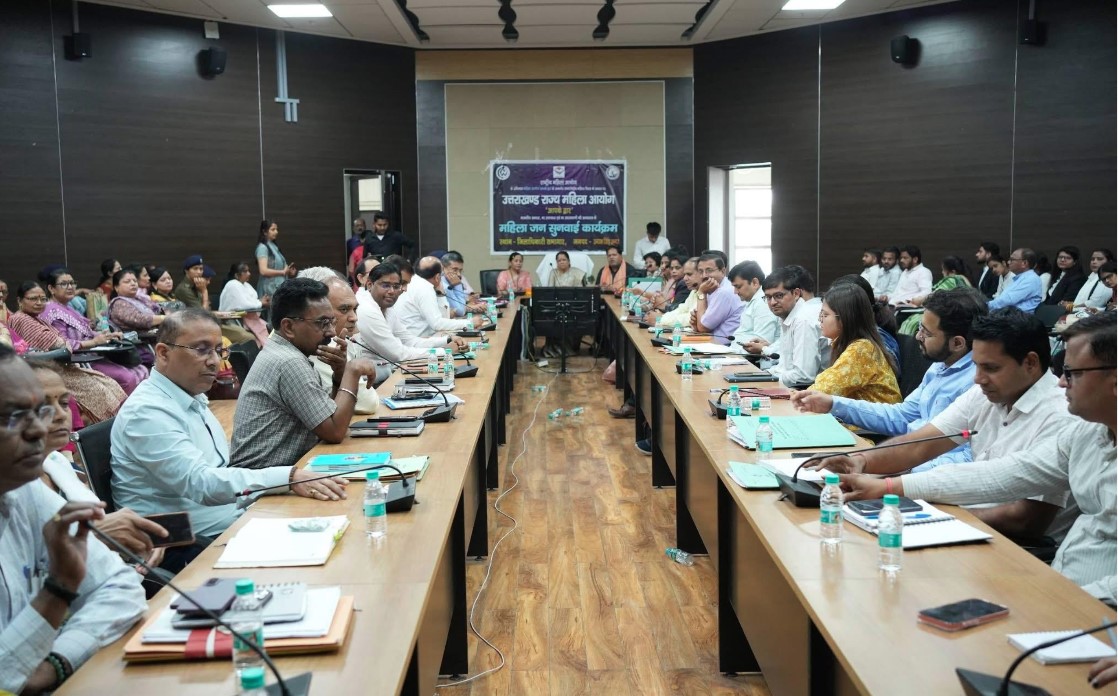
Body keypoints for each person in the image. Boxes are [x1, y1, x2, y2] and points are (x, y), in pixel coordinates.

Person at [834, 312, 1117, 603]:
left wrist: (1063, 603)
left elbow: (1026, 520)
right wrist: (882, 481)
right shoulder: (1087, 432)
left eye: (1073, 373)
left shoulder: (1065, 419)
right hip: (1057, 582)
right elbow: (1001, 474)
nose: (1062, 382)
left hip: (1036, 569)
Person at [813, 308, 1076, 546]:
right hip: (961, 523)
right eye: (976, 366)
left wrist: (931, 516)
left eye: (991, 368)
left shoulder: (1060, 417)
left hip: (1009, 546)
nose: (978, 379)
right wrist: (861, 461)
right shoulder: (984, 393)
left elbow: (1027, 520)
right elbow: (920, 445)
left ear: (1030, 363)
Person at [111, 309, 348, 547]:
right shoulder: (147, 411)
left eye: (219, 350)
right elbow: (201, 483)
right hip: (183, 546)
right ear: (163, 353)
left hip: (231, 522)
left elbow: (220, 468)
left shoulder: (189, 395)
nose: (214, 361)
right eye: (201, 349)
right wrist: (289, 477)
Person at [0, 344, 147, 695]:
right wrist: (60, 588)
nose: (38, 430)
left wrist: (58, 662)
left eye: (38, 412)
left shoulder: (24, 489)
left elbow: (121, 588)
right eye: (11, 417)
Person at [794, 287, 986, 470]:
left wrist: (892, 470)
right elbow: (902, 417)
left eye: (926, 333)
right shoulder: (940, 365)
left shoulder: (977, 383)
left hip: (925, 475)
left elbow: (968, 457)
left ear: (957, 343)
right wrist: (834, 404)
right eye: (920, 328)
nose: (917, 336)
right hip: (903, 462)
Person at [28, 361, 168, 571]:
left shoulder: (58, 464)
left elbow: (97, 529)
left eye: (64, 403)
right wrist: (95, 534)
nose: (60, 415)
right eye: (42, 407)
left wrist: (136, 535)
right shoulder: (12, 489)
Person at [230, 278, 380, 470]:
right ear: (288, 327)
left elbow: (328, 414)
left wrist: (339, 373)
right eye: (322, 323)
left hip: (286, 471)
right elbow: (334, 432)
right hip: (263, 481)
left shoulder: (287, 352)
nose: (331, 332)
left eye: (331, 322)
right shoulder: (288, 362)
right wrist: (352, 371)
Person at [9, 283, 126, 424]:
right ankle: (109, 427)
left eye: (42, 299)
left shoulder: (36, 317)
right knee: (100, 391)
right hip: (47, 370)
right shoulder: (21, 318)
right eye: (33, 299)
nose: (39, 303)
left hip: (62, 364)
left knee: (109, 384)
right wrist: (93, 342)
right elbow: (58, 344)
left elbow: (67, 340)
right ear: (20, 300)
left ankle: (113, 424)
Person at [39, 269, 148, 394]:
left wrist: (107, 336)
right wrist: (94, 342)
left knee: (141, 369)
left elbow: (86, 333)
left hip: (92, 356)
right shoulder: (52, 311)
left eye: (72, 283)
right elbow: (61, 345)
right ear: (51, 289)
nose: (70, 287)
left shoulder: (67, 308)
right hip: (76, 362)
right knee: (128, 378)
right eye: (64, 284)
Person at [297, 267, 380, 414]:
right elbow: (368, 403)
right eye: (344, 309)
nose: (354, 317)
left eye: (355, 309)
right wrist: (351, 370)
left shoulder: (341, 338)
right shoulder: (317, 345)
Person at [806, 283, 900, 404]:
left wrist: (792, 396)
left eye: (825, 315)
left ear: (845, 318)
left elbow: (820, 391)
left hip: (872, 417)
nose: (820, 319)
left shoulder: (862, 349)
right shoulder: (852, 345)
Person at [355, 262, 460, 364]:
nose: (392, 291)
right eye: (385, 285)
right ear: (370, 285)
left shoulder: (386, 307)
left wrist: (447, 340)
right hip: (376, 375)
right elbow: (398, 354)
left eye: (396, 286)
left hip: (389, 371)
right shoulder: (366, 309)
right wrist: (444, 351)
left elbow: (409, 341)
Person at [744, 265, 829, 387]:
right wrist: (762, 375)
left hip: (802, 391)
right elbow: (784, 367)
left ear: (796, 293)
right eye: (768, 297)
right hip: (787, 384)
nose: (772, 302)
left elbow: (803, 376)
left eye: (779, 296)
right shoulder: (788, 316)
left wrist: (767, 378)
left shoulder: (803, 320)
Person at [391, 256, 481, 342]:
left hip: (416, 338)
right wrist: (469, 323)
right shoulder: (424, 288)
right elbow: (437, 324)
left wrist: (440, 295)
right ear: (437, 277)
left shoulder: (415, 282)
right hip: (418, 340)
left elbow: (442, 319)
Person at [897, 255, 972, 335]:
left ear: (952, 272)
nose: (942, 273)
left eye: (943, 270)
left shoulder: (953, 279)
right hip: (954, 316)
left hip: (949, 316)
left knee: (910, 322)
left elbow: (934, 297)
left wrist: (919, 301)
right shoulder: (965, 280)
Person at [690, 253, 741, 344]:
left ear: (723, 271)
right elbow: (700, 325)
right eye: (700, 271)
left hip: (725, 347)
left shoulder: (724, 292)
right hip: (711, 343)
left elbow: (703, 328)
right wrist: (696, 323)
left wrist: (701, 293)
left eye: (709, 270)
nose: (704, 275)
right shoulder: (711, 288)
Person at [728, 261, 779, 346]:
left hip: (749, 354)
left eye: (738, 287)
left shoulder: (763, 302)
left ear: (755, 283)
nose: (735, 292)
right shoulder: (753, 300)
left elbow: (761, 343)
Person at [989, 248, 1043, 312]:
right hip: (1007, 314)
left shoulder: (1031, 279)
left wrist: (986, 306)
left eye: (1012, 260)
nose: (1008, 262)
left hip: (1019, 317)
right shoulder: (1020, 278)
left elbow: (1008, 301)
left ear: (1024, 263)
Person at [651, 257, 700, 329]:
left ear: (701, 273)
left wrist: (661, 319)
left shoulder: (705, 292)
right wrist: (661, 317)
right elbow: (681, 310)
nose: (685, 278)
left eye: (689, 274)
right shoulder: (694, 291)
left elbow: (689, 318)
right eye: (671, 268)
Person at [255, 219, 296, 303]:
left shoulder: (274, 246)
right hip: (269, 289)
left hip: (279, 287)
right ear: (265, 232)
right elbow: (263, 271)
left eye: (276, 229)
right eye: (273, 229)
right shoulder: (263, 247)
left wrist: (288, 271)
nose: (276, 232)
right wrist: (282, 272)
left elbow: (280, 267)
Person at [440, 251, 486, 317]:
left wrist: (471, 308)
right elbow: (460, 312)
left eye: (460, 270)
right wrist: (458, 285)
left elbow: (460, 307)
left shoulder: (451, 281)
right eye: (455, 270)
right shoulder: (442, 285)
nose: (459, 274)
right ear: (442, 268)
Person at [84, 258, 120, 330]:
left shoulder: (117, 285)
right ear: (110, 273)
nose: (121, 270)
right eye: (118, 268)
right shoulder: (103, 289)